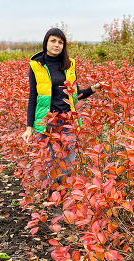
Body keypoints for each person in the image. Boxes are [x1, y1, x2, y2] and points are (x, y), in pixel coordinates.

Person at [22, 27, 103, 186]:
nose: (57, 45)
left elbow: (76, 93)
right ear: (46, 42)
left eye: (60, 42)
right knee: (51, 161)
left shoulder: (69, 64)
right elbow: (33, 97)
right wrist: (29, 126)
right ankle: (53, 194)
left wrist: (93, 89)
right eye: (53, 41)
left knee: (68, 160)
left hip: (68, 121)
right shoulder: (36, 65)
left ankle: (65, 195)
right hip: (46, 122)